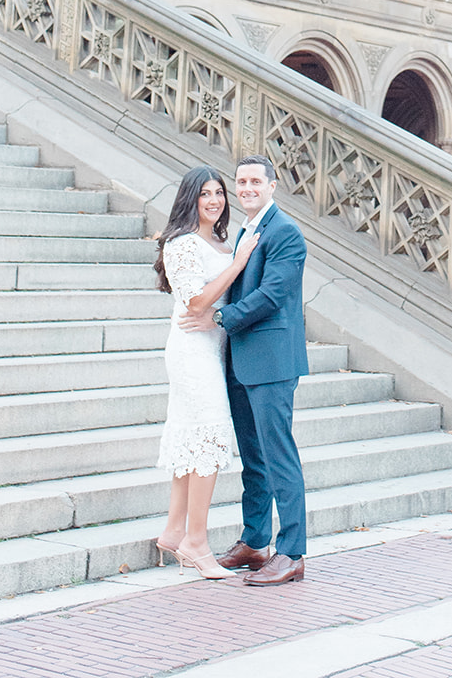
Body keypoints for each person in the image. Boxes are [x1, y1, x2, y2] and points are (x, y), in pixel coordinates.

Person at [180, 154, 309, 585]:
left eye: (256, 181)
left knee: (278, 457)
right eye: (242, 182)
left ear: (273, 186)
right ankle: (255, 541)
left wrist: (218, 319)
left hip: (271, 361)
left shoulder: (286, 233)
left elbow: (272, 295)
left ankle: (291, 552)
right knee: (254, 460)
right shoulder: (244, 232)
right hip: (239, 361)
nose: (248, 188)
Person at [152, 166, 260, 579]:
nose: (214, 200)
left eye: (219, 193)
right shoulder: (181, 245)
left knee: (190, 437)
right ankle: (197, 541)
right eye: (205, 194)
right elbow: (195, 304)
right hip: (190, 350)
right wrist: (239, 262)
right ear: (190, 199)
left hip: (210, 347)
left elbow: (211, 310)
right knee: (209, 438)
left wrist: (218, 314)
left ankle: (174, 531)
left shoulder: (216, 240)